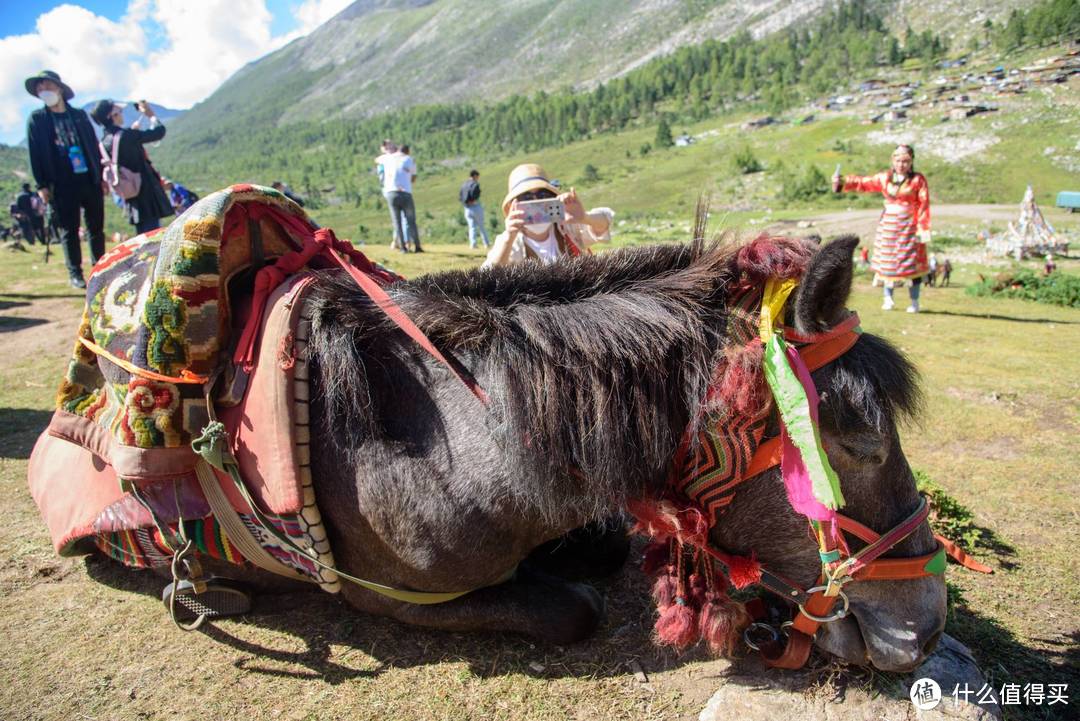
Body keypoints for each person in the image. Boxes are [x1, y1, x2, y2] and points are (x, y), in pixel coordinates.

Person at [24, 70, 105, 288]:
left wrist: (101, 175)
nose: (44, 91)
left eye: (47, 86)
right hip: (61, 182)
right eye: (40, 88)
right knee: (69, 229)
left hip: (89, 178)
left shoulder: (78, 115)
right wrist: (41, 184)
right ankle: (75, 273)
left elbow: (92, 145)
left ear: (59, 88)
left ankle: (101, 267)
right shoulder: (37, 120)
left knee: (95, 226)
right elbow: (35, 154)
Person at [833, 144, 931, 312]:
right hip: (889, 226)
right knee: (888, 264)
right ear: (893, 161)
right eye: (898, 160)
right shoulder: (885, 178)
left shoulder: (918, 180)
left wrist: (923, 229)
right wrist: (842, 181)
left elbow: (923, 204)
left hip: (910, 227)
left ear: (911, 162)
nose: (901, 164)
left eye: (906, 161)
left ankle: (914, 302)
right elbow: (864, 182)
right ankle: (888, 299)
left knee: (912, 267)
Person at [483, 163, 613, 268]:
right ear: (513, 205)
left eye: (543, 195)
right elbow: (487, 277)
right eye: (526, 197)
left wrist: (584, 218)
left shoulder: (567, 227)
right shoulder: (509, 241)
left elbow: (605, 222)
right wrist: (509, 238)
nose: (536, 202)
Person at [90, 99, 172, 234]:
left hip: (129, 193)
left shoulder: (104, 142)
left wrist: (132, 133)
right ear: (112, 116)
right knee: (153, 233)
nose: (121, 115)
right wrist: (151, 115)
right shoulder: (127, 136)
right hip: (145, 191)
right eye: (119, 112)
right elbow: (159, 132)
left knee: (142, 233)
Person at [380, 143, 421, 253]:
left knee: (397, 222)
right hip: (405, 192)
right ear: (407, 151)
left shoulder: (388, 158)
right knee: (411, 221)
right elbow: (413, 178)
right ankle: (417, 246)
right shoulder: (408, 158)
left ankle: (403, 248)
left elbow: (377, 161)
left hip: (391, 193)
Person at [459, 169, 490, 249]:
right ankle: (486, 243)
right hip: (475, 207)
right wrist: (472, 200)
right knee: (481, 226)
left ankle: (473, 244)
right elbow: (475, 195)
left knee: (472, 227)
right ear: (475, 176)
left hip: (467, 208)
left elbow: (460, 196)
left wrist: (466, 203)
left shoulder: (464, 185)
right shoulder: (475, 184)